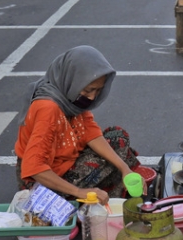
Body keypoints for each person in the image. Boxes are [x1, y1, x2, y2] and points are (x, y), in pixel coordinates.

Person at [14, 46, 140, 204]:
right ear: (72, 80)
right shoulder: (48, 108)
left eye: (97, 91)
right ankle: (83, 198)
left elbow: (91, 133)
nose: (93, 97)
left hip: (67, 162)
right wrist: (80, 192)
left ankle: (100, 192)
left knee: (118, 137)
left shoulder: (69, 98)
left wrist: (124, 169)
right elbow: (34, 168)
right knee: (112, 161)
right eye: (88, 90)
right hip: (42, 181)